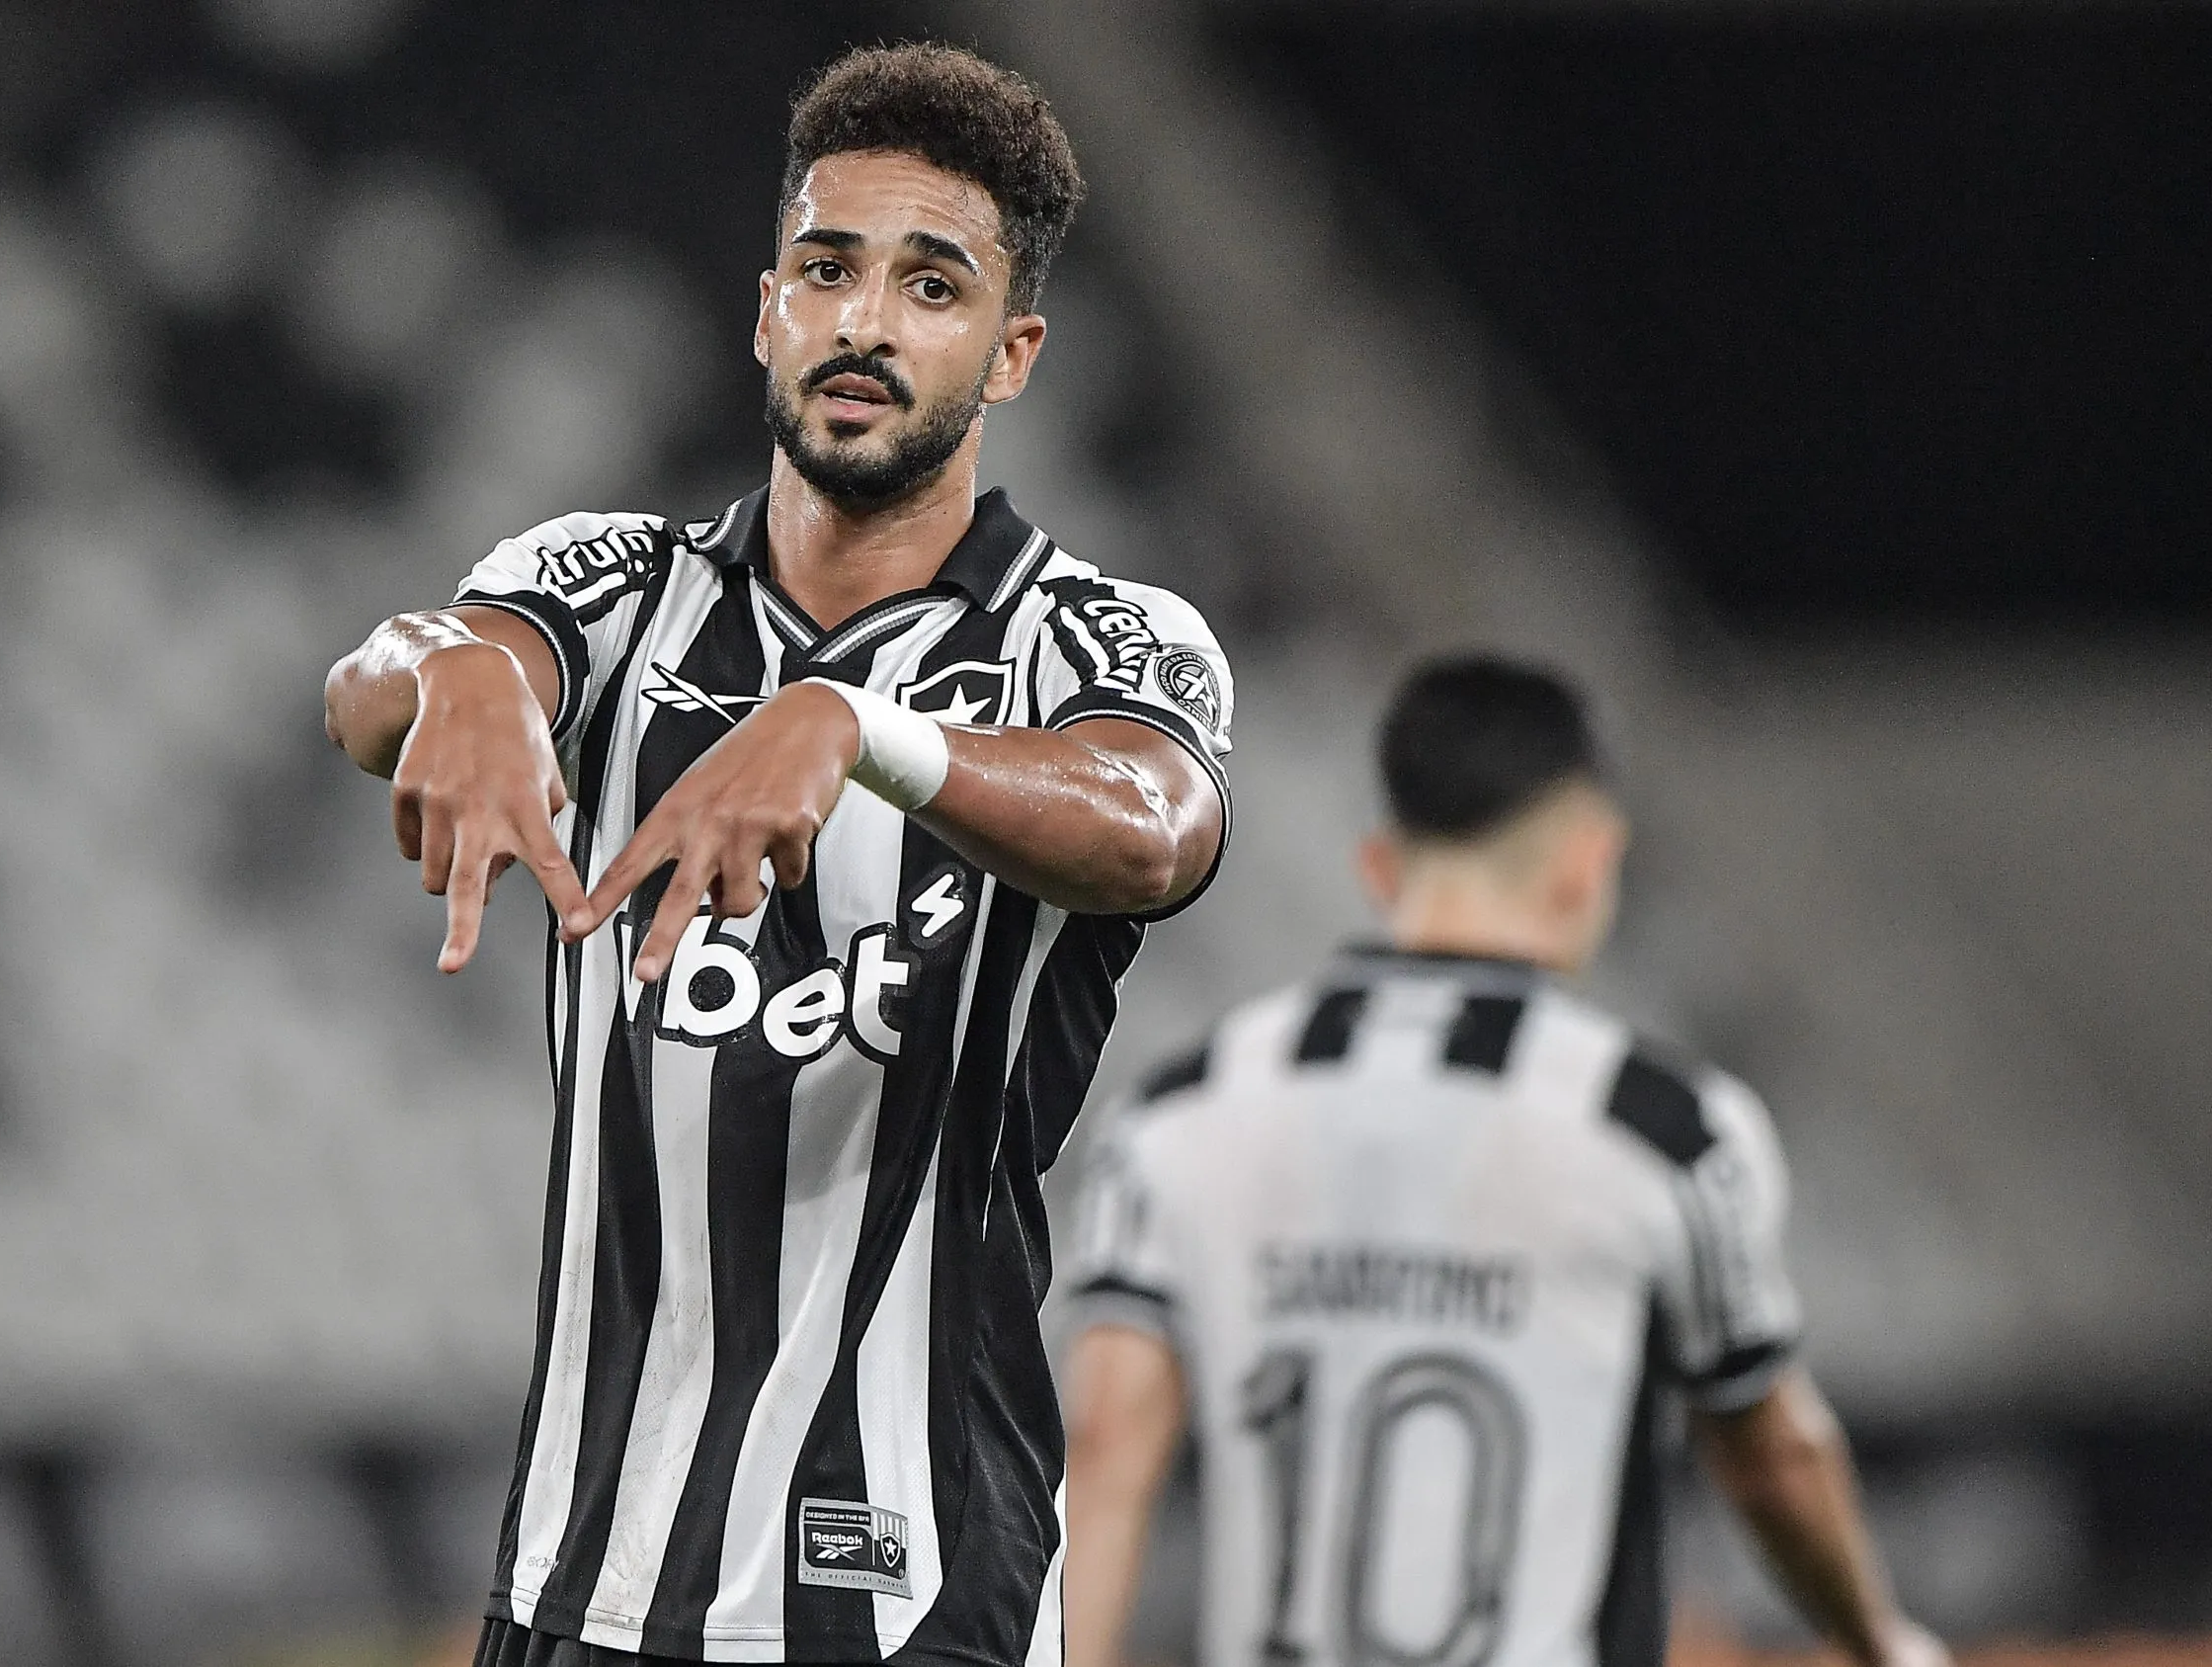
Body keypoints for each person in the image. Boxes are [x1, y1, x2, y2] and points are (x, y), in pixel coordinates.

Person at [322, 43, 1235, 1667]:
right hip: (570, 1569)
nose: (866, 322)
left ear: (1012, 352)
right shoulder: (612, 588)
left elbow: (1153, 824)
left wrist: (860, 731)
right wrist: (448, 671)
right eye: (830, 268)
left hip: (896, 1590)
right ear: (766, 312)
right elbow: (412, 664)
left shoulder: (1098, 639)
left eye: (932, 286)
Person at [1059, 656, 1944, 1667]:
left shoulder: (1181, 1108)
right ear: (1587, 859)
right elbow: (1773, 1459)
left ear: (1381, 866)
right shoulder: (1662, 1131)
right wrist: (1877, 1636)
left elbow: (1105, 1448)